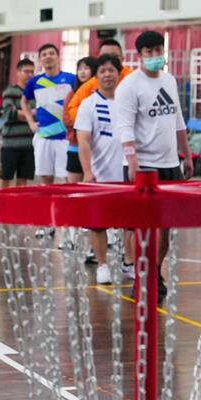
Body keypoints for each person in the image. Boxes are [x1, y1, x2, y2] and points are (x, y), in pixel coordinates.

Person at [115, 30, 193, 303]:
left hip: (171, 163)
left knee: (166, 229)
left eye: (158, 50)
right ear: (140, 56)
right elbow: (124, 127)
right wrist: (133, 161)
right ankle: (140, 274)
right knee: (142, 227)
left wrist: (185, 153)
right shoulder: (129, 86)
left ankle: (155, 272)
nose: (154, 56)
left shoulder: (170, 80)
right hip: (144, 166)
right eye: (148, 52)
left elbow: (178, 119)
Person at [75, 54, 133, 284]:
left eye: (111, 70)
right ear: (95, 76)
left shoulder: (129, 102)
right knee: (98, 222)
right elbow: (83, 141)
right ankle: (102, 265)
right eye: (102, 71)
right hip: (100, 173)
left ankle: (128, 262)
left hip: (127, 171)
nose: (107, 74)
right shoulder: (88, 104)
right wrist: (88, 171)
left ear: (119, 74)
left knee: (130, 222)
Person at [21, 43, 76, 186]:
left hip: (65, 137)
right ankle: (50, 208)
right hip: (43, 136)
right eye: (44, 55)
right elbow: (24, 101)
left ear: (58, 57)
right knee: (46, 179)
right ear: (40, 61)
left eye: (52, 53)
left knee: (68, 179)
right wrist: (31, 123)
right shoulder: (35, 82)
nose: (48, 56)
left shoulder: (71, 79)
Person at [67, 38, 132, 125]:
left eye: (114, 57)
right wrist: (91, 122)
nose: (109, 60)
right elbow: (72, 107)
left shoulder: (132, 79)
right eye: (105, 56)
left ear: (122, 58)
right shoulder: (93, 82)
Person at [0, 58, 36, 189]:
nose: (30, 75)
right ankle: (1, 207)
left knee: (23, 180)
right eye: (26, 71)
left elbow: (40, 115)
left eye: (32, 72)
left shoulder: (35, 93)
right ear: (18, 73)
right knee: (5, 178)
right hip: (10, 144)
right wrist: (31, 113)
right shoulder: (10, 92)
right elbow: (9, 114)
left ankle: (18, 208)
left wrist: (21, 113)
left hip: (29, 143)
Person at [63, 56, 98, 183]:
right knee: (73, 188)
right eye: (79, 69)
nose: (82, 72)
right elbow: (66, 119)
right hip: (75, 147)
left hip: (97, 149)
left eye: (86, 68)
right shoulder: (71, 95)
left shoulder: (102, 94)